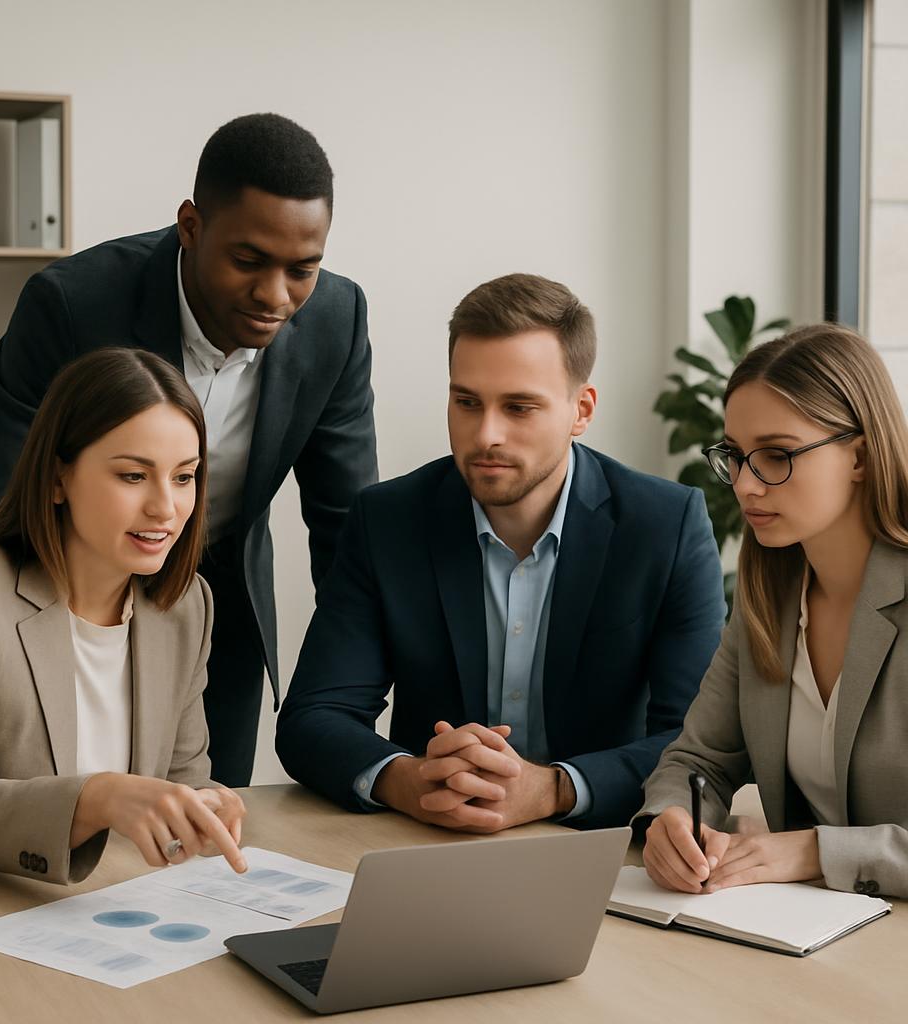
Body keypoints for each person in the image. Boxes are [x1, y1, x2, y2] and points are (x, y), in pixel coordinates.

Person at [0, 113, 378, 787]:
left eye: (303, 269)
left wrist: (344, 724)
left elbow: (346, 530)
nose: (275, 295)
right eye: (249, 262)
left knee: (195, 837)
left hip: (211, 607)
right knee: (23, 823)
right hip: (55, 597)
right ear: (191, 226)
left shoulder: (336, 321)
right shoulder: (71, 305)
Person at [276, 274, 725, 831]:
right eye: (467, 402)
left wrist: (555, 789)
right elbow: (312, 718)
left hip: (599, 849)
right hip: (430, 843)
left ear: (581, 410)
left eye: (519, 407)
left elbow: (702, 746)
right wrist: (407, 780)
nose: (486, 433)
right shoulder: (389, 520)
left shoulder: (665, 525)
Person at [0, 348, 247, 884]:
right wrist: (98, 796)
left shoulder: (185, 604)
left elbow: (182, 779)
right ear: (58, 478)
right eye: (132, 476)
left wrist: (201, 807)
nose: (165, 508)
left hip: (102, 908)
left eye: (184, 477)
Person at [638, 324, 908, 899]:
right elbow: (698, 760)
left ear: (858, 456)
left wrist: (815, 849)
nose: (745, 484)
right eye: (735, 457)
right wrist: (672, 821)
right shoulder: (770, 600)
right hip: (803, 936)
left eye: (777, 456)